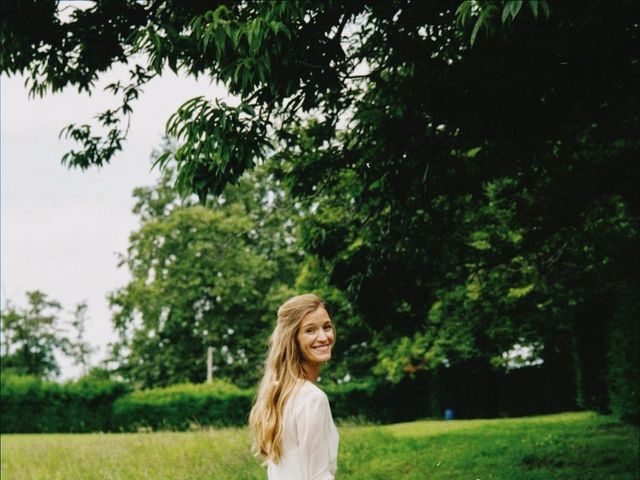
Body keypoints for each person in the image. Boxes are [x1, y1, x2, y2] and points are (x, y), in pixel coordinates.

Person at [249, 293, 340, 480]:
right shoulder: (312, 399)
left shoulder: (279, 394)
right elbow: (318, 477)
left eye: (327, 327)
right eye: (310, 330)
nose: (323, 337)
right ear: (293, 339)